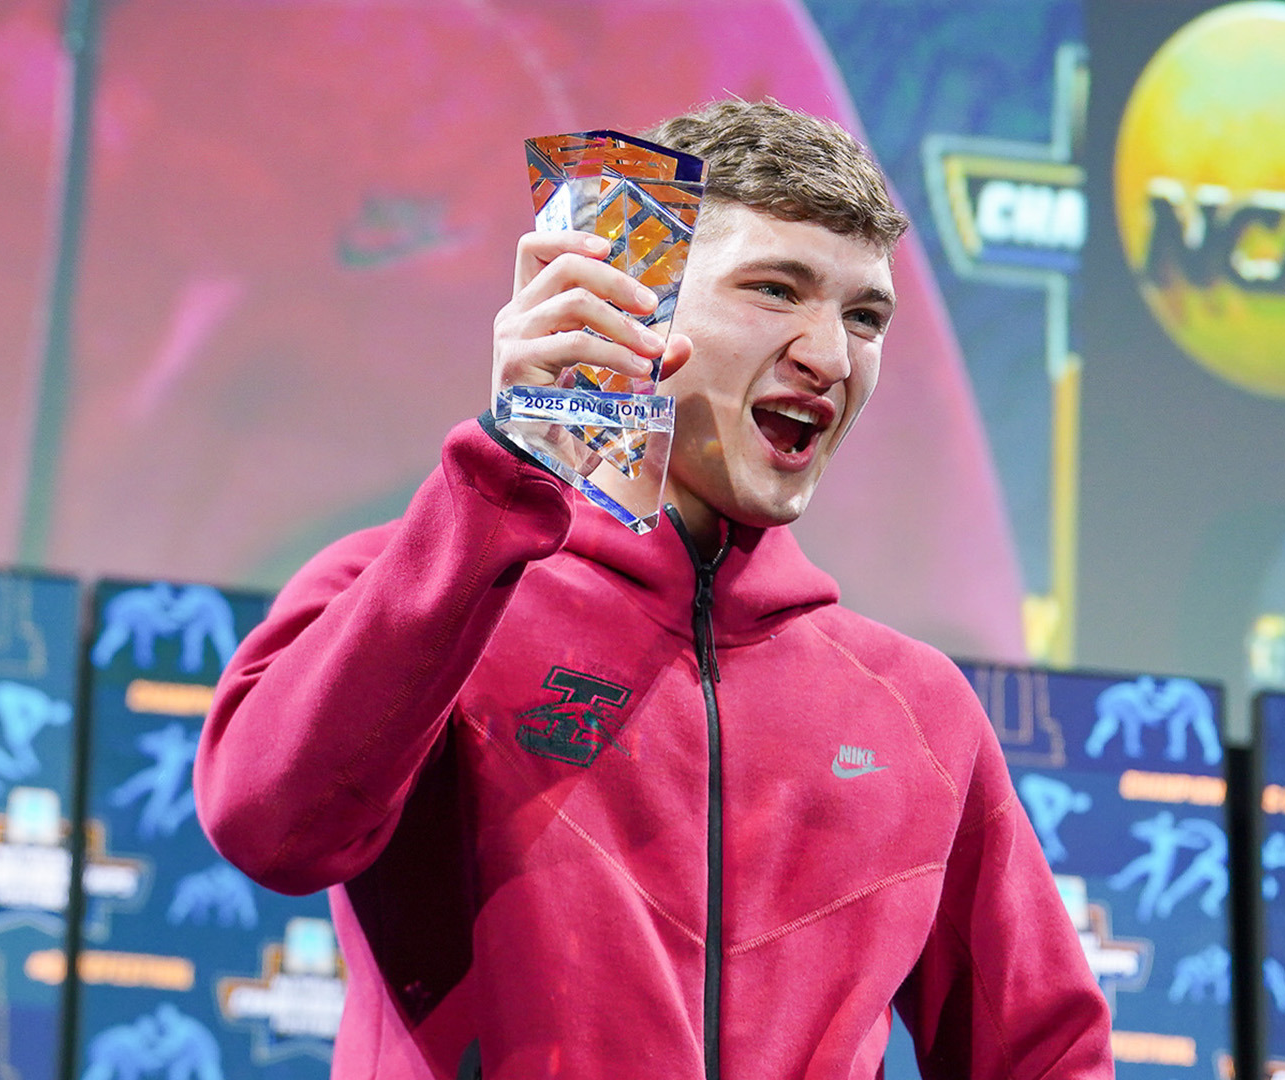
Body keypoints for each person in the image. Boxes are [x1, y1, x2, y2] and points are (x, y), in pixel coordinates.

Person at [194, 100, 1111, 1080]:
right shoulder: (419, 586)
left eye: (865, 316)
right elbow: (270, 826)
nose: (830, 357)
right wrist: (505, 470)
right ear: (638, 306)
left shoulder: (919, 709)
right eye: (775, 289)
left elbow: (1046, 1055)